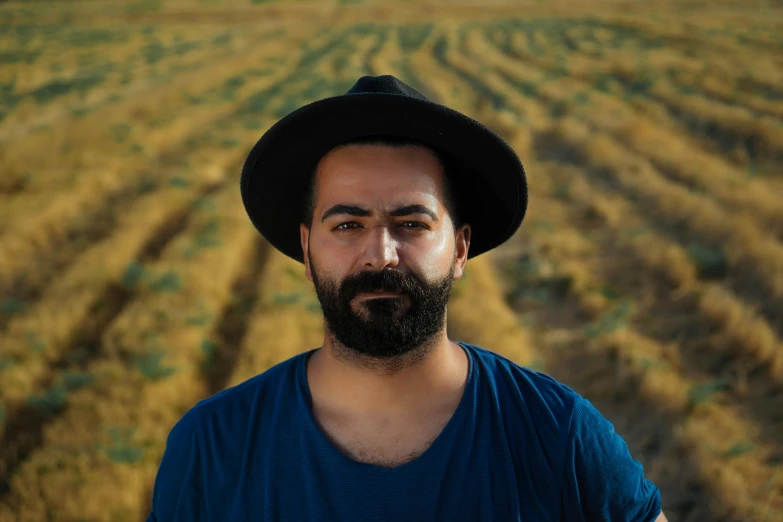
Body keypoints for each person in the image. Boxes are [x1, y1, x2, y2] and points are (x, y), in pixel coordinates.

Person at [146, 75, 668, 521]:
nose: (381, 254)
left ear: (461, 248)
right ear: (306, 249)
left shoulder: (560, 437)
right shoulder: (213, 448)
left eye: (411, 223)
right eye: (348, 224)